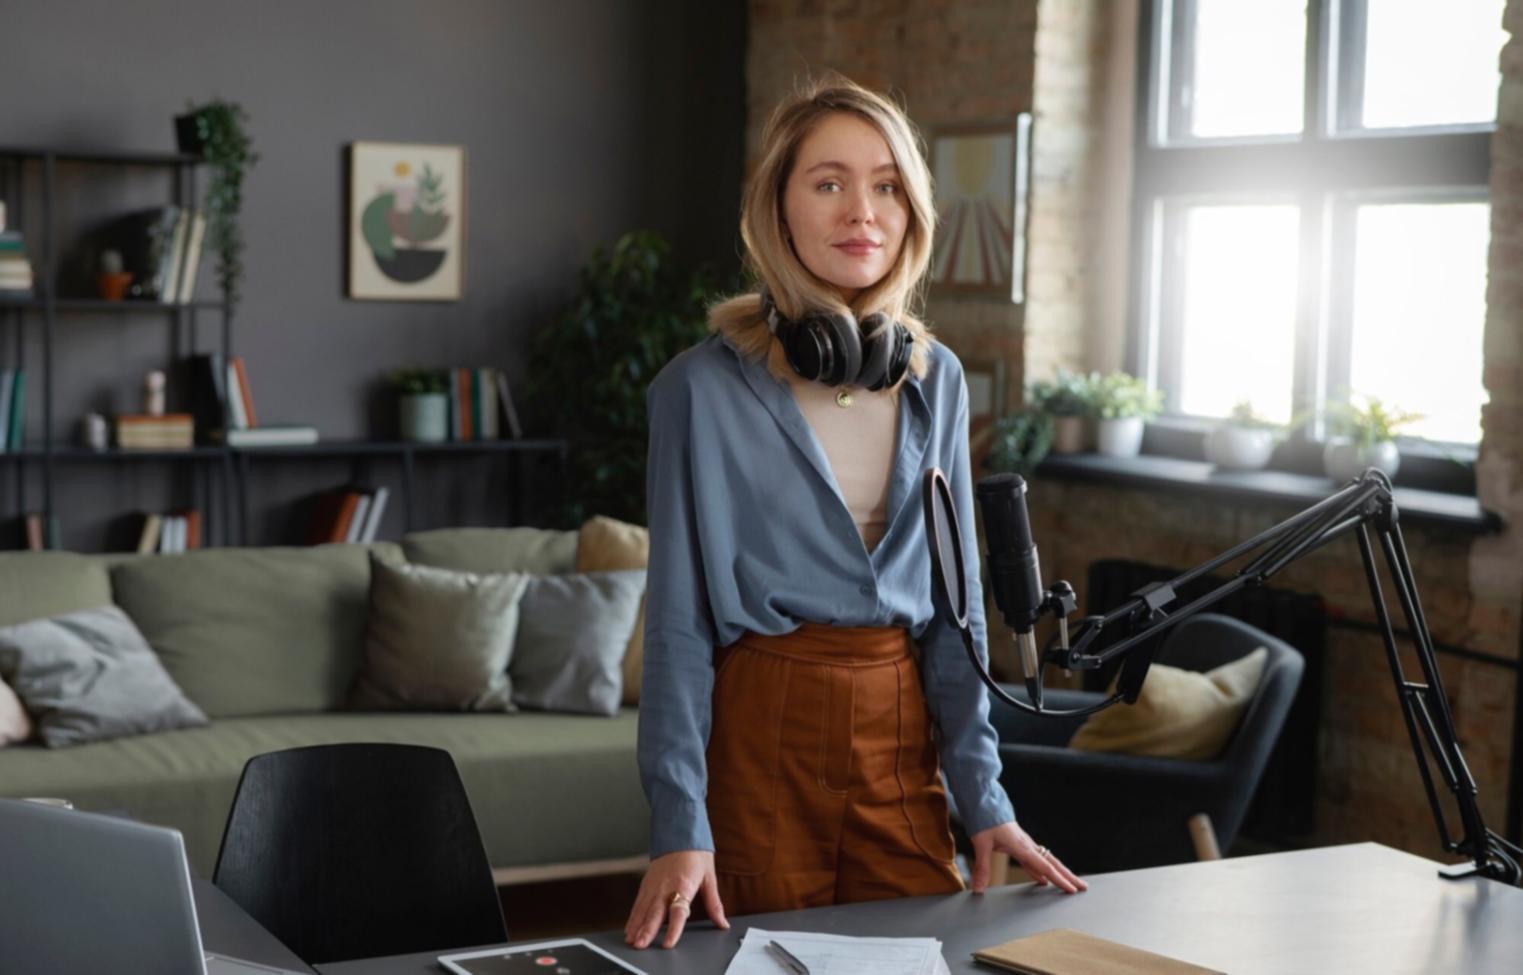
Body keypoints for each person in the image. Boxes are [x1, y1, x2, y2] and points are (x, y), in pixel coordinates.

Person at [624, 75, 1086, 953]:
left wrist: (984, 800)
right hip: (762, 728)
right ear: (779, 208)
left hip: (896, 727)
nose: (860, 211)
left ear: (910, 211)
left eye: (884, 186)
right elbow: (678, 626)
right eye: (827, 182)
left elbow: (956, 618)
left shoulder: (936, 378)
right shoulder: (697, 390)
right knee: (749, 958)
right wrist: (680, 822)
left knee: (921, 951)